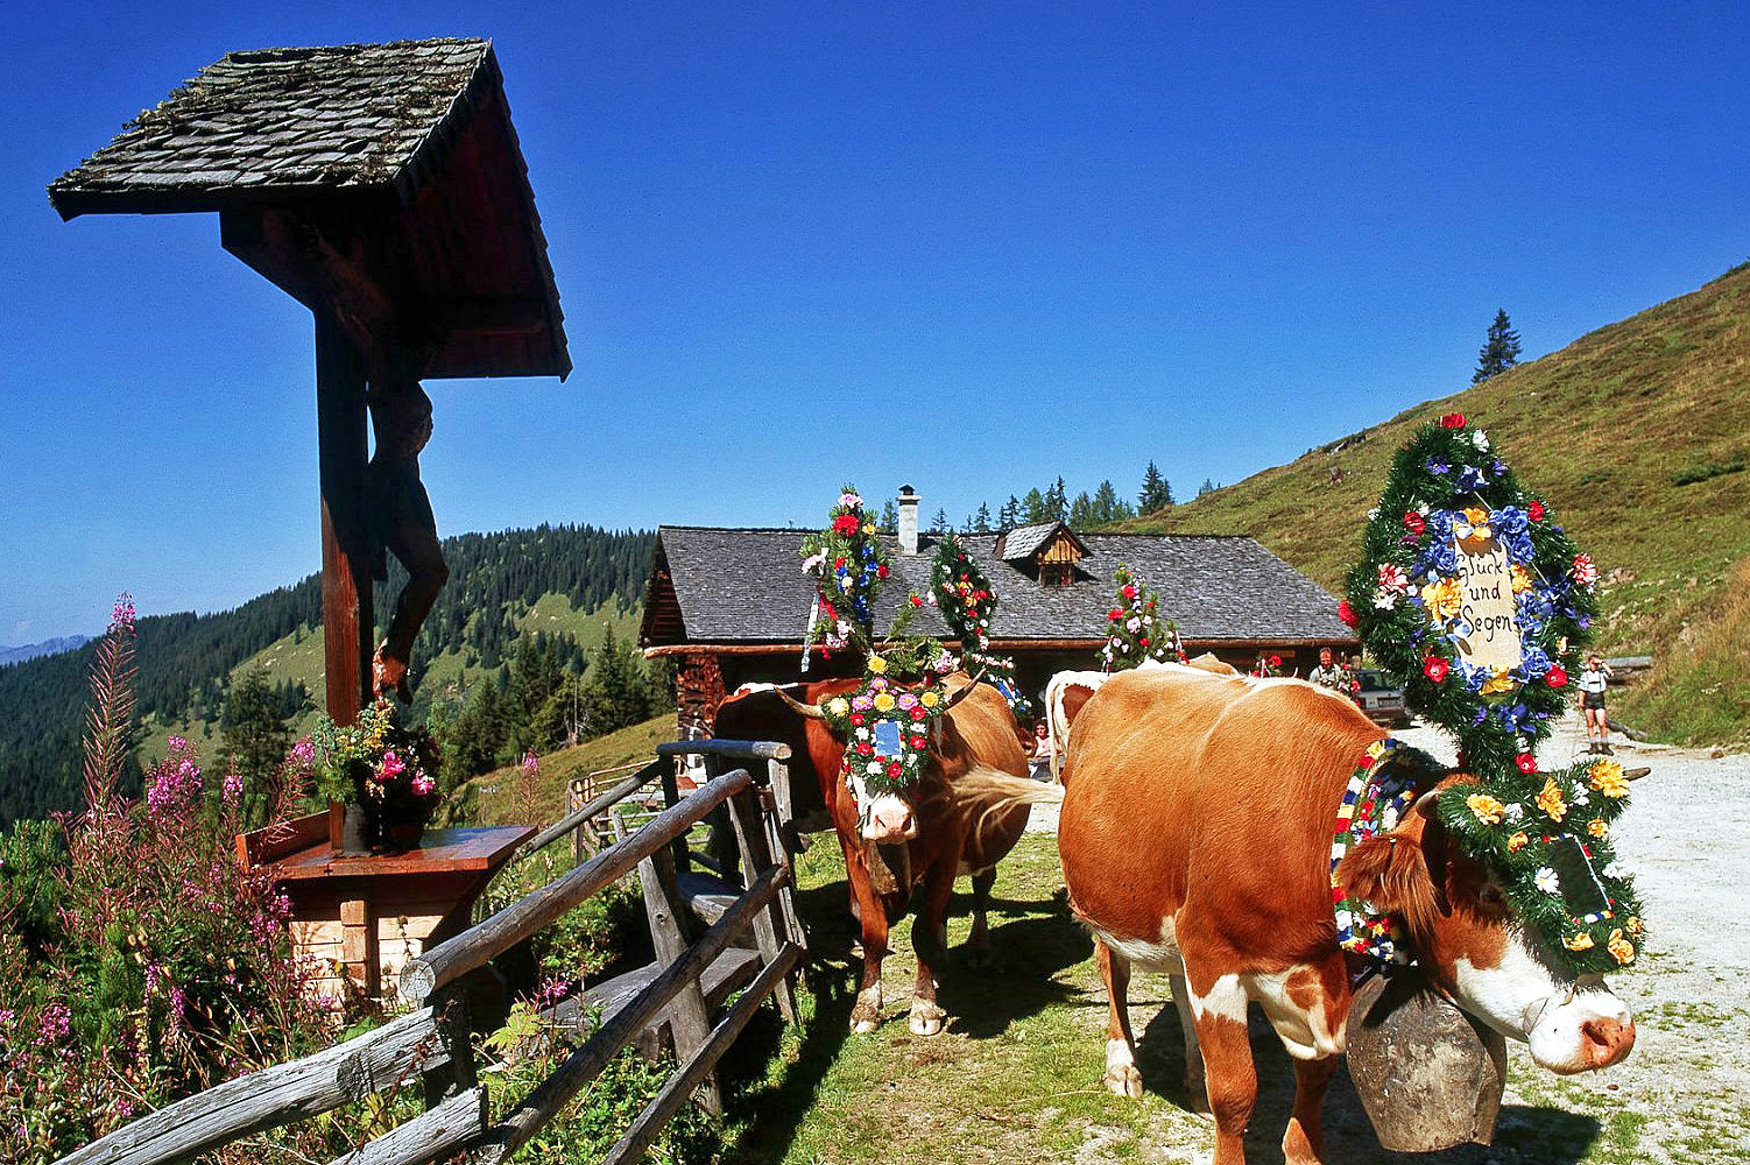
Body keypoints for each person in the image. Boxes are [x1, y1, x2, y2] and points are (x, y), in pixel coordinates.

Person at [367, 365, 449, 703]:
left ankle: (394, 653)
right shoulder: (389, 376)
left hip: (406, 486)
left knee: (433, 571)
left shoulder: (398, 377)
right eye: (420, 427)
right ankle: (393, 656)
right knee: (432, 571)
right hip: (393, 487)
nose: (424, 433)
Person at [1578, 654, 1615, 754]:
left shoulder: (1601, 673)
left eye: (1595, 664)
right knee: (1590, 724)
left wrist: (1602, 663)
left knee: (1602, 724)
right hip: (1589, 700)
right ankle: (1593, 746)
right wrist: (1581, 701)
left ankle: (1605, 746)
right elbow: (1582, 689)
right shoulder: (1585, 675)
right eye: (1592, 663)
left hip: (1599, 699)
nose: (1594, 666)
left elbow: (1611, 673)